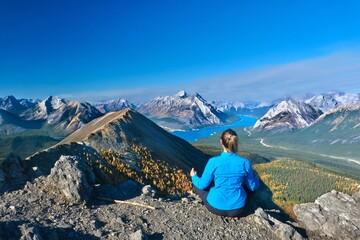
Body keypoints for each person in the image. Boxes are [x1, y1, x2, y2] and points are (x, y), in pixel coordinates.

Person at [190, 129, 260, 217]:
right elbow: (252, 187)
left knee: (199, 185)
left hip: (214, 207)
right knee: (250, 187)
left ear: (221, 141)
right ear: (236, 142)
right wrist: (257, 180)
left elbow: (202, 185)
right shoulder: (245, 163)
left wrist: (194, 176)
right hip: (238, 209)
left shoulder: (213, 162)